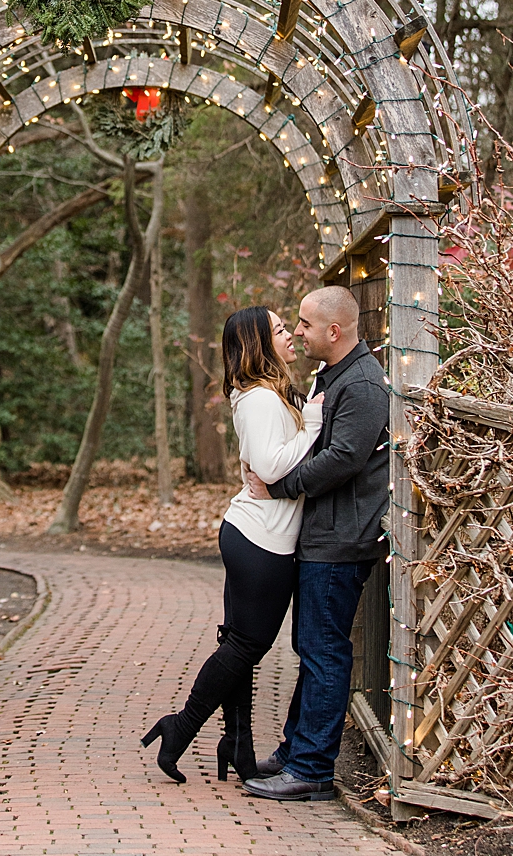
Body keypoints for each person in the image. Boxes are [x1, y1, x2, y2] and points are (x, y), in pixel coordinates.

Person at [142, 306, 321, 783]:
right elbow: (271, 467)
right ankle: (180, 728)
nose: (290, 335)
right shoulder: (259, 398)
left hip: (259, 535)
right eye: (279, 330)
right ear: (260, 342)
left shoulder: (269, 394)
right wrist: (314, 426)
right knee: (247, 645)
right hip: (260, 540)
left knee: (240, 642)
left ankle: (238, 744)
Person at [238, 284, 389, 802]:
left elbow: (344, 458)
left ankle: (312, 769)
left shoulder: (363, 384)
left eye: (304, 324)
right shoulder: (334, 373)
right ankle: (294, 751)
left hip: (341, 539)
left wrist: (281, 487)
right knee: (313, 649)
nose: (298, 332)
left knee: (324, 652)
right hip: (321, 533)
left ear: (334, 330)